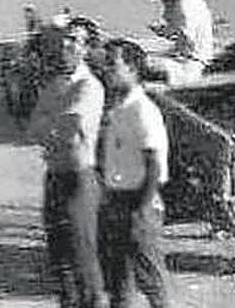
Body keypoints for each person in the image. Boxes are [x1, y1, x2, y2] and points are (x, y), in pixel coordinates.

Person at [27, 14, 106, 308]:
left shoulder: (89, 86)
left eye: (74, 42)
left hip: (78, 178)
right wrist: (52, 127)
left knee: (82, 256)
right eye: (64, 41)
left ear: (87, 49)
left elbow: (70, 132)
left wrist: (50, 126)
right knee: (60, 259)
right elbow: (34, 128)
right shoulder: (56, 84)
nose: (65, 47)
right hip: (55, 175)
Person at [99, 39, 170, 308]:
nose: (107, 70)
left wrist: (141, 208)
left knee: (150, 277)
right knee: (119, 279)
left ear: (132, 69)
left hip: (137, 201)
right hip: (117, 200)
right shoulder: (118, 108)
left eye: (112, 64)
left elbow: (154, 164)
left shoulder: (143, 111)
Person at [146, 0, 214, 85]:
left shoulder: (185, 6)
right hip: (190, 59)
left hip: (189, 65)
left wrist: (165, 32)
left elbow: (187, 42)